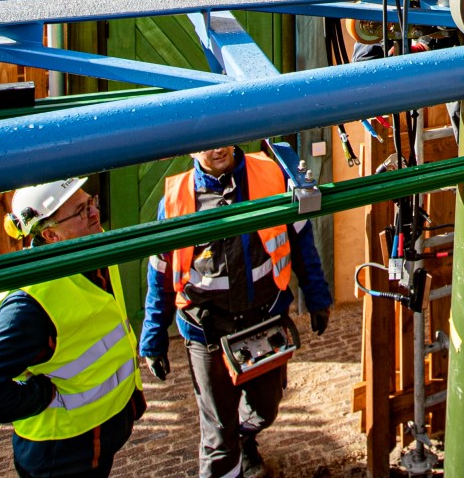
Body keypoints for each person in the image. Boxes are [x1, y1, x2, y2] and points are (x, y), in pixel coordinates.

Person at [141, 142, 334, 478]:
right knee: (218, 437)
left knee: (265, 409)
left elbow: (301, 239)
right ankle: (229, 452)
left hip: (263, 319)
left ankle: (243, 437)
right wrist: (153, 338)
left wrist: (317, 295)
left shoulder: (271, 175)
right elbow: (159, 274)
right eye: (206, 144)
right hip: (207, 331)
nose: (219, 148)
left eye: (224, 137)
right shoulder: (174, 201)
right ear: (189, 151)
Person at [0, 178, 144, 478]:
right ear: (51, 234)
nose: (95, 213)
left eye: (91, 202)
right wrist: (40, 396)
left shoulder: (94, 248)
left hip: (96, 436)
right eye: (81, 211)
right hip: (62, 454)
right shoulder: (31, 304)